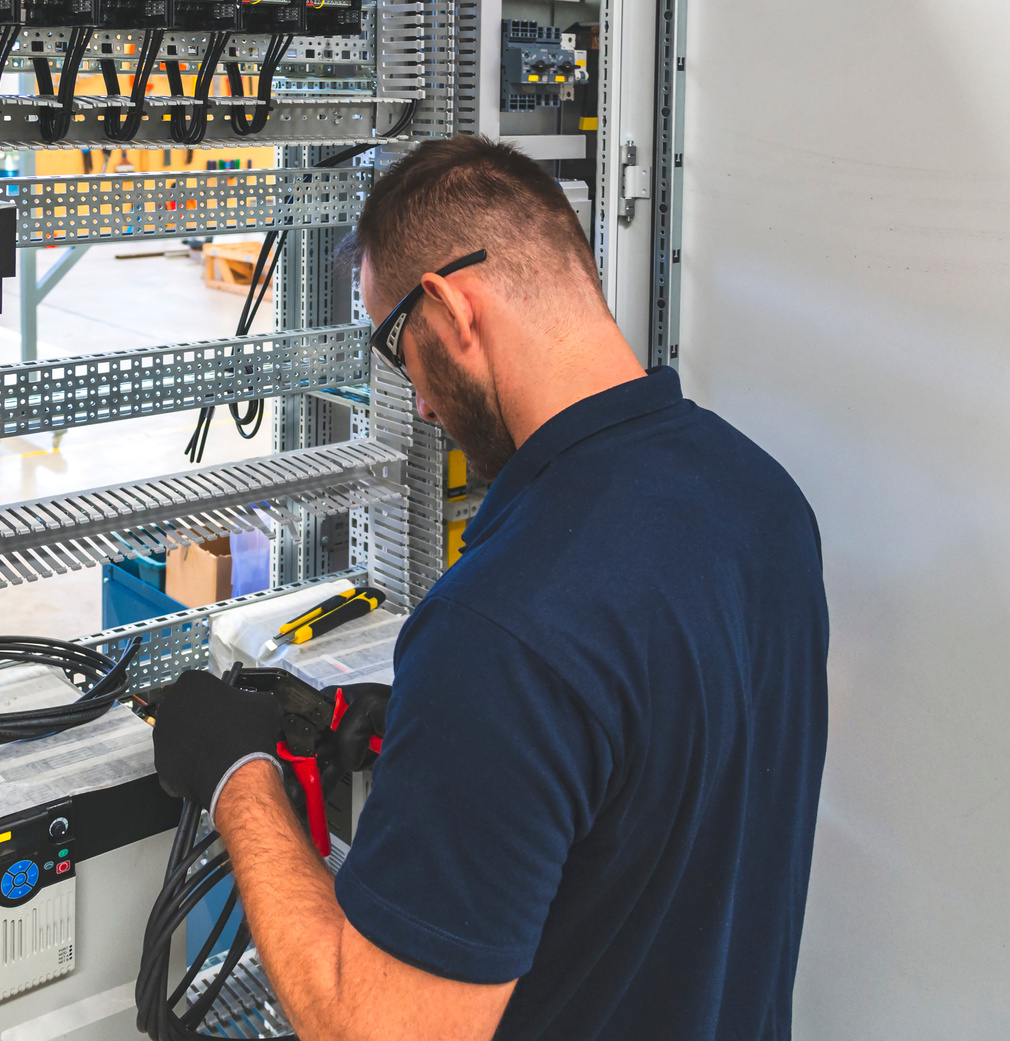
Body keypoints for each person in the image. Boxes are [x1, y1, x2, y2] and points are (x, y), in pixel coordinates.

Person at [153, 136, 830, 1041]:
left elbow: (370, 1030)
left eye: (399, 350)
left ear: (450, 306)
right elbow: (652, 770)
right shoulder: (763, 498)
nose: (422, 405)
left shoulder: (502, 626)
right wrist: (459, 742)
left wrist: (235, 775)